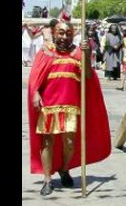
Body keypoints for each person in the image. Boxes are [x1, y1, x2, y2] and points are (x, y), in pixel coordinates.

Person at [27, 20, 111, 196]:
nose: (64, 37)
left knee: (70, 143)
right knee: (47, 142)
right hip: (48, 105)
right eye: (61, 33)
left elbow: (87, 75)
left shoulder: (78, 52)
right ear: (54, 33)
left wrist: (87, 54)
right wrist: (35, 93)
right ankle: (47, 179)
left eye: (67, 33)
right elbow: (35, 76)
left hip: (71, 106)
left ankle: (64, 169)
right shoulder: (46, 51)